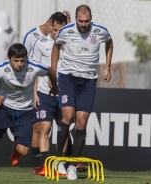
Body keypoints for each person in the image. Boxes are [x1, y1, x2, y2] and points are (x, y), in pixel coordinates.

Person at [0, 43, 58, 182]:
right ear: (9, 59)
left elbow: (51, 71)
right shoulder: (1, 69)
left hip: (25, 113)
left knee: (24, 151)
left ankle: (16, 148)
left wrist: (55, 87)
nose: (19, 64)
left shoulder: (33, 67)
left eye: (22, 60)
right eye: (15, 61)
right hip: (3, 109)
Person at [50, 5, 113, 180]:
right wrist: (52, 72)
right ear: (76, 18)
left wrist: (107, 67)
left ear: (91, 18)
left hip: (88, 80)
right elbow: (56, 48)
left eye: (86, 21)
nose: (83, 24)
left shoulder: (101, 31)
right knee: (68, 115)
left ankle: (72, 165)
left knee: (82, 120)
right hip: (68, 78)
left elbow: (109, 42)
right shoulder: (66, 31)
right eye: (80, 21)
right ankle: (59, 160)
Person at [22, 10, 71, 174]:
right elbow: (34, 71)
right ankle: (44, 165)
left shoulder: (69, 43)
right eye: (55, 30)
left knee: (63, 130)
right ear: (51, 26)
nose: (57, 33)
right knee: (44, 129)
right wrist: (34, 93)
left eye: (60, 30)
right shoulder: (41, 44)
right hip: (44, 93)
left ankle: (62, 164)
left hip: (64, 93)